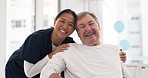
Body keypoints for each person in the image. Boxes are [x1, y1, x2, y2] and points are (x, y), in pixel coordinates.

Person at [40, 12, 132, 78]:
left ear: (98, 26)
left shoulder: (114, 50)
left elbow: (127, 76)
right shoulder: (69, 49)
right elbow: (47, 71)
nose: (88, 29)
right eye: (82, 26)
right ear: (78, 33)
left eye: (91, 24)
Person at [5, 9, 77, 78]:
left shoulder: (68, 43)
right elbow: (29, 73)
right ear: (55, 21)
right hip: (17, 70)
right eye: (62, 21)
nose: (65, 26)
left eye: (70, 24)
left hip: (37, 73)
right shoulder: (36, 38)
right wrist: (53, 53)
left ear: (73, 30)